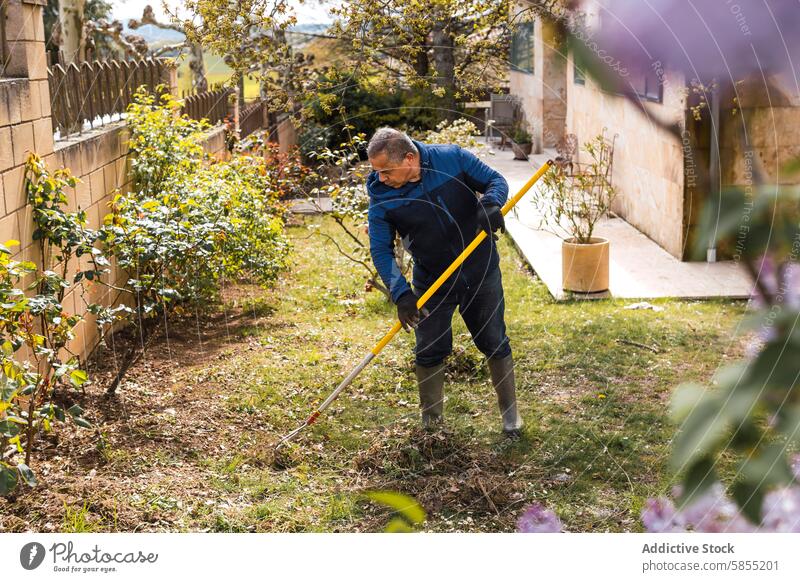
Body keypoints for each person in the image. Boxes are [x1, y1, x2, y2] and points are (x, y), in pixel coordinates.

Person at [365, 127, 523, 438]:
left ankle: (511, 421)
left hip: (480, 271)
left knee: (494, 341)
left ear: (410, 158)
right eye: (376, 171)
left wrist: (491, 203)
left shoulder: (453, 159)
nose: (380, 178)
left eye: (385, 170)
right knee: (429, 349)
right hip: (432, 279)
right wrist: (401, 293)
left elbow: (496, 181)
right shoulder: (381, 193)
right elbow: (380, 247)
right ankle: (432, 429)